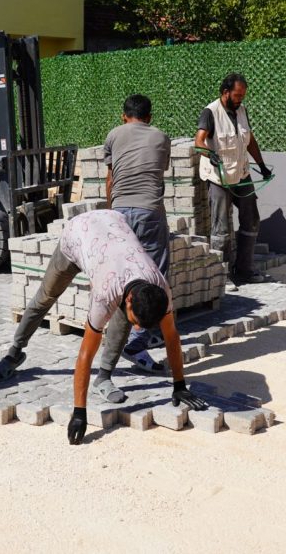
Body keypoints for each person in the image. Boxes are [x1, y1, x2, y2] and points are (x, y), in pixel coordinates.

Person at [0, 209, 208, 445]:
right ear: (130, 300)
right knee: (46, 296)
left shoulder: (160, 289)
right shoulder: (106, 293)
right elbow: (85, 354)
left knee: (123, 318)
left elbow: (172, 337)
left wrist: (179, 385)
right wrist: (79, 412)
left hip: (112, 226)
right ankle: (14, 352)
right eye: (137, 322)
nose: (137, 330)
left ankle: (103, 377)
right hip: (78, 235)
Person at [97, 94, 171, 400]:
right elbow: (157, 172)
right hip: (150, 212)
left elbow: (111, 178)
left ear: (124, 115)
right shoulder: (161, 137)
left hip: (121, 212)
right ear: (149, 116)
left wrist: (111, 210)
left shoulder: (114, 135)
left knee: (123, 276)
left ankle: (122, 336)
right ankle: (139, 339)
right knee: (156, 276)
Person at [195, 72, 272, 285]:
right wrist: (209, 155)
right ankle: (223, 275)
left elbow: (250, 141)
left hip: (242, 174)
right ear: (225, 92)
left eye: (243, 96)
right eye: (237, 95)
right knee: (220, 228)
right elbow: (199, 140)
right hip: (219, 177)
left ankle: (245, 270)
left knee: (252, 219)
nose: (240, 99)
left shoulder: (242, 111)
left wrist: (262, 165)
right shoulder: (210, 112)